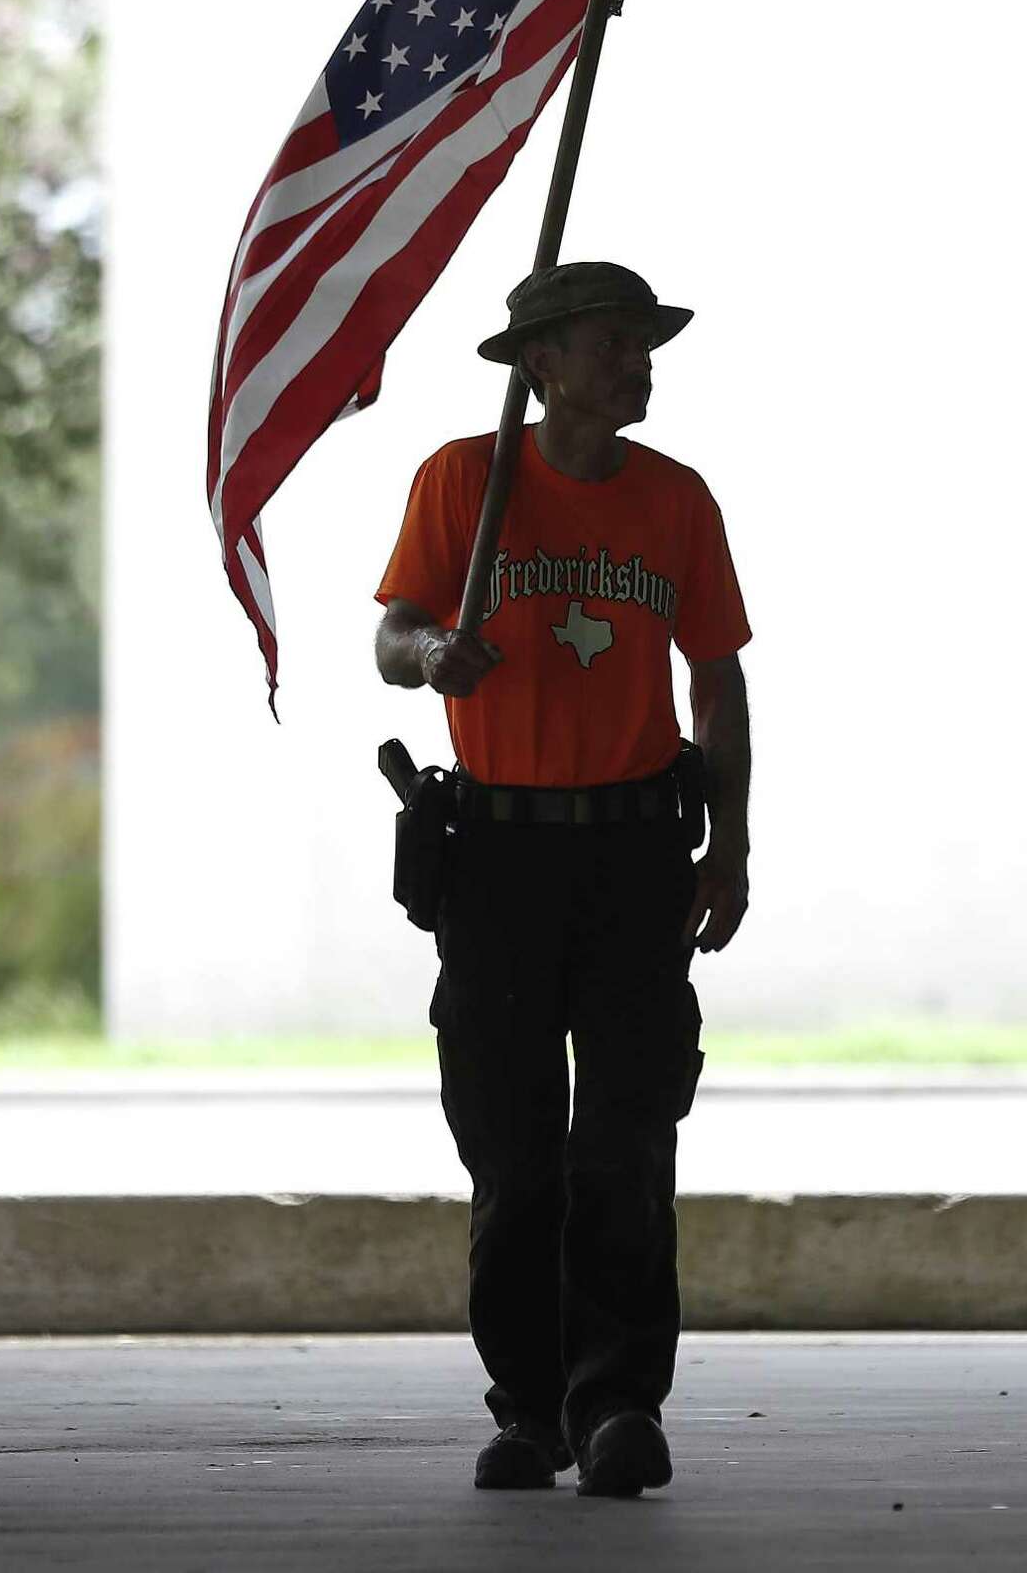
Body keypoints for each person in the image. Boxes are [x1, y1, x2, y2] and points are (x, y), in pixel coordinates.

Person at [373, 260, 752, 1499]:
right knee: (514, 1151)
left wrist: (730, 847)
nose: (636, 363)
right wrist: (437, 652)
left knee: (629, 1143)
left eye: (643, 343)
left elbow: (719, 677)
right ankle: (527, 1412)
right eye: (610, 342)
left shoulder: (678, 503)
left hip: (637, 854)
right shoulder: (462, 484)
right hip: (499, 858)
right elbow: (390, 637)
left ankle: (619, 1406)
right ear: (540, 364)